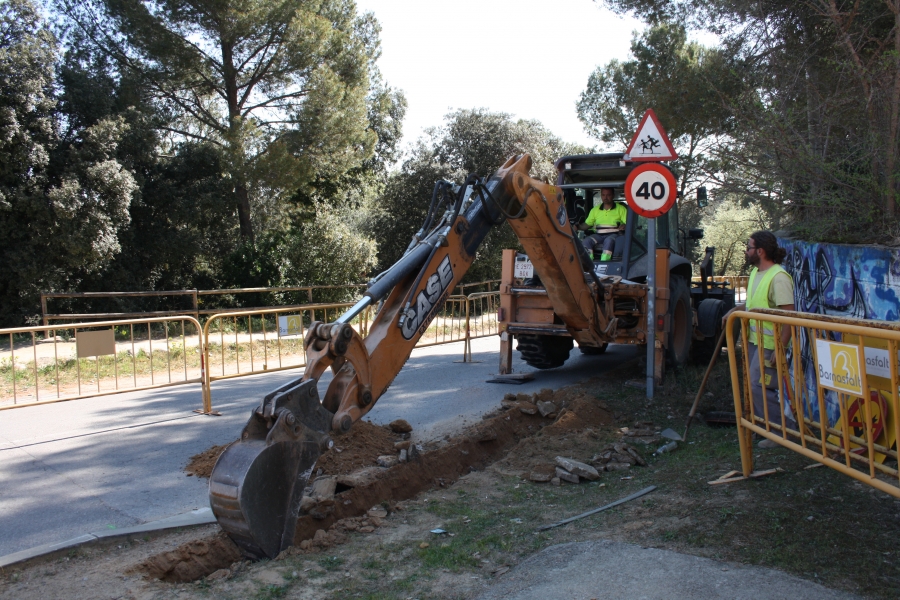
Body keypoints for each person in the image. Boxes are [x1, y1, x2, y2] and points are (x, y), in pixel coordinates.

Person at [722, 231, 796, 447]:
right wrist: (735, 310)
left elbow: (789, 315)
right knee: (753, 385)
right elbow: (755, 305)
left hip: (771, 345)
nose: (746, 251)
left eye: (749, 247)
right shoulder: (756, 273)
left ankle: (781, 433)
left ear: (760, 251)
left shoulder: (779, 278)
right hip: (755, 341)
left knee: (760, 386)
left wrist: (780, 348)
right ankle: (764, 427)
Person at [577, 188, 627, 261]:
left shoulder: (621, 209)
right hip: (598, 235)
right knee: (586, 241)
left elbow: (628, 223)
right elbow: (587, 224)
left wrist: (624, 225)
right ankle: (588, 263)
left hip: (614, 235)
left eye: (608, 195)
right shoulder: (595, 210)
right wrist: (578, 227)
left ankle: (605, 262)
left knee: (608, 241)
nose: (605, 197)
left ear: (613, 195)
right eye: (603, 195)